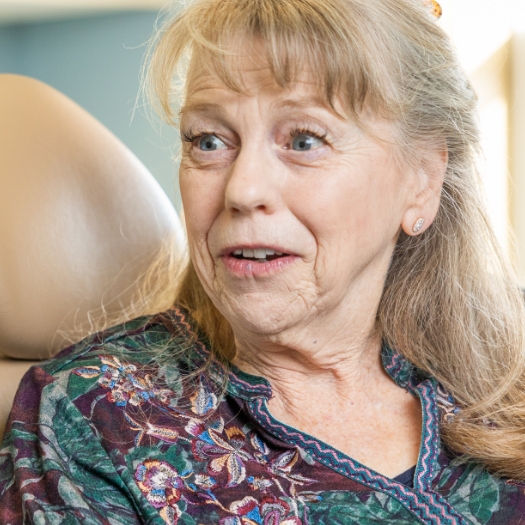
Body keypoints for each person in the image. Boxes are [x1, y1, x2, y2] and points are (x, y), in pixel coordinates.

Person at [2, 0, 525, 522]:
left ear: (422, 181)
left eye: (304, 140)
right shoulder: (91, 416)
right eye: (208, 142)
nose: (243, 188)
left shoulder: (511, 367)